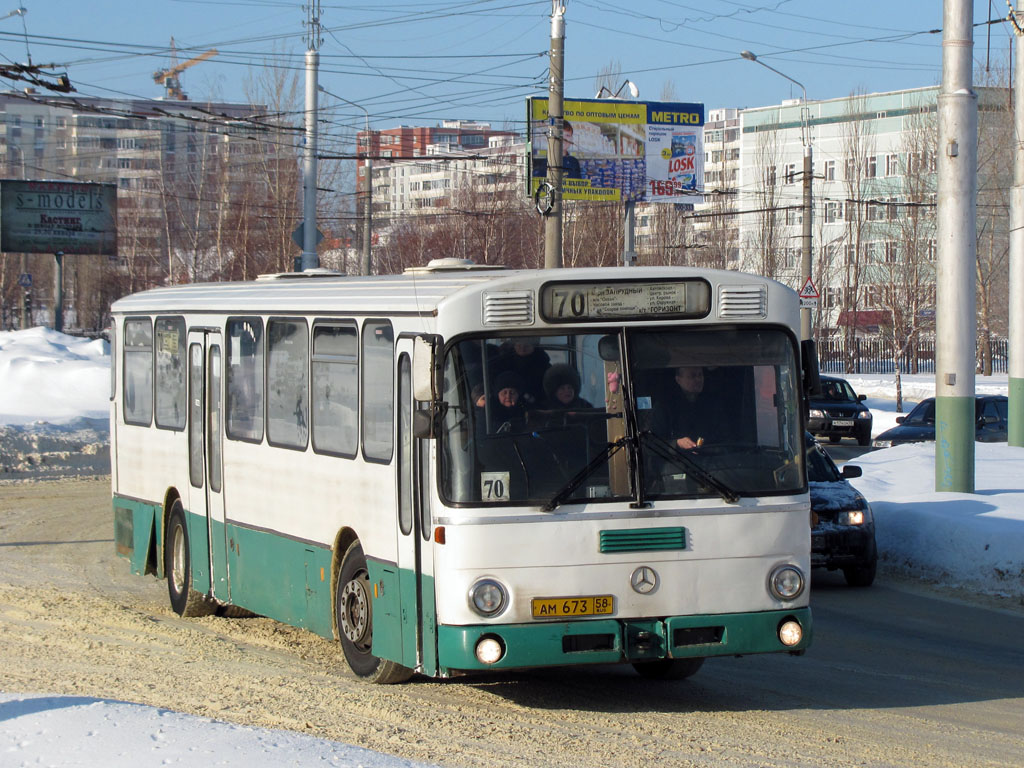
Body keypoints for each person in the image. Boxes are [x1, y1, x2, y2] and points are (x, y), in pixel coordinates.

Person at [660, 366, 716, 450]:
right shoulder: (665, 406)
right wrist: (677, 443)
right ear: (678, 380)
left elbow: (724, 436)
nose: (698, 379)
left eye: (700, 375)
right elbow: (651, 445)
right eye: (692, 376)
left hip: (709, 459)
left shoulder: (712, 404)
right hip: (677, 460)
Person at [492, 337, 550, 407]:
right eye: (519, 343)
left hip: (534, 407)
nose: (523, 347)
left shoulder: (544, 364)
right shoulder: (500, 363)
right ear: (514, 344)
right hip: (502, 408)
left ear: (534, 345)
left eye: (527, 344)